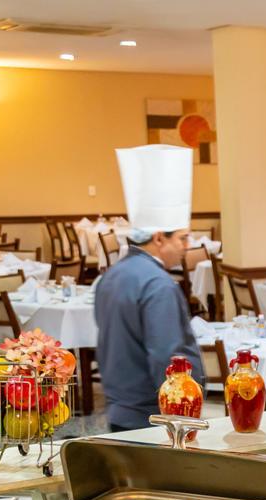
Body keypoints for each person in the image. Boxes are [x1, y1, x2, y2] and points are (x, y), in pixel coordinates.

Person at [95, 144, 204, 432]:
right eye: (182, 238)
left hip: (119, 408)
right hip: (152, 415)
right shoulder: (158, 285)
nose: (186, 247)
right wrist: (183, 417)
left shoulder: (112, 275)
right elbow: (167, 358)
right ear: (159, 238)